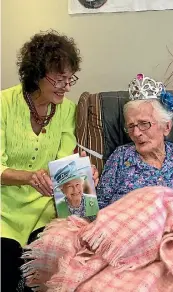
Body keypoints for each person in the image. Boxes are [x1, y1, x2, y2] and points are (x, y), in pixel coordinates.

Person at [1, 30, 98, 292]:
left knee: (47, 267)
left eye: (70, 79)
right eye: (59, 79)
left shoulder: (67, 109)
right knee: (6, 268)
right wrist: (28, 177)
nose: (66, 87)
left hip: (45, 208)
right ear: (37, 73)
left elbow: (63, 163)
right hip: (4, 207)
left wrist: (82, 173)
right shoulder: (3, 104)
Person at [71, 73, 173, 219]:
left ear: (166, 127)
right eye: (131, 126)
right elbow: (97, 210)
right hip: (124, 232)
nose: (136, 133)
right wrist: (82, 185)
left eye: (144, 124)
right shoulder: (120, 157)